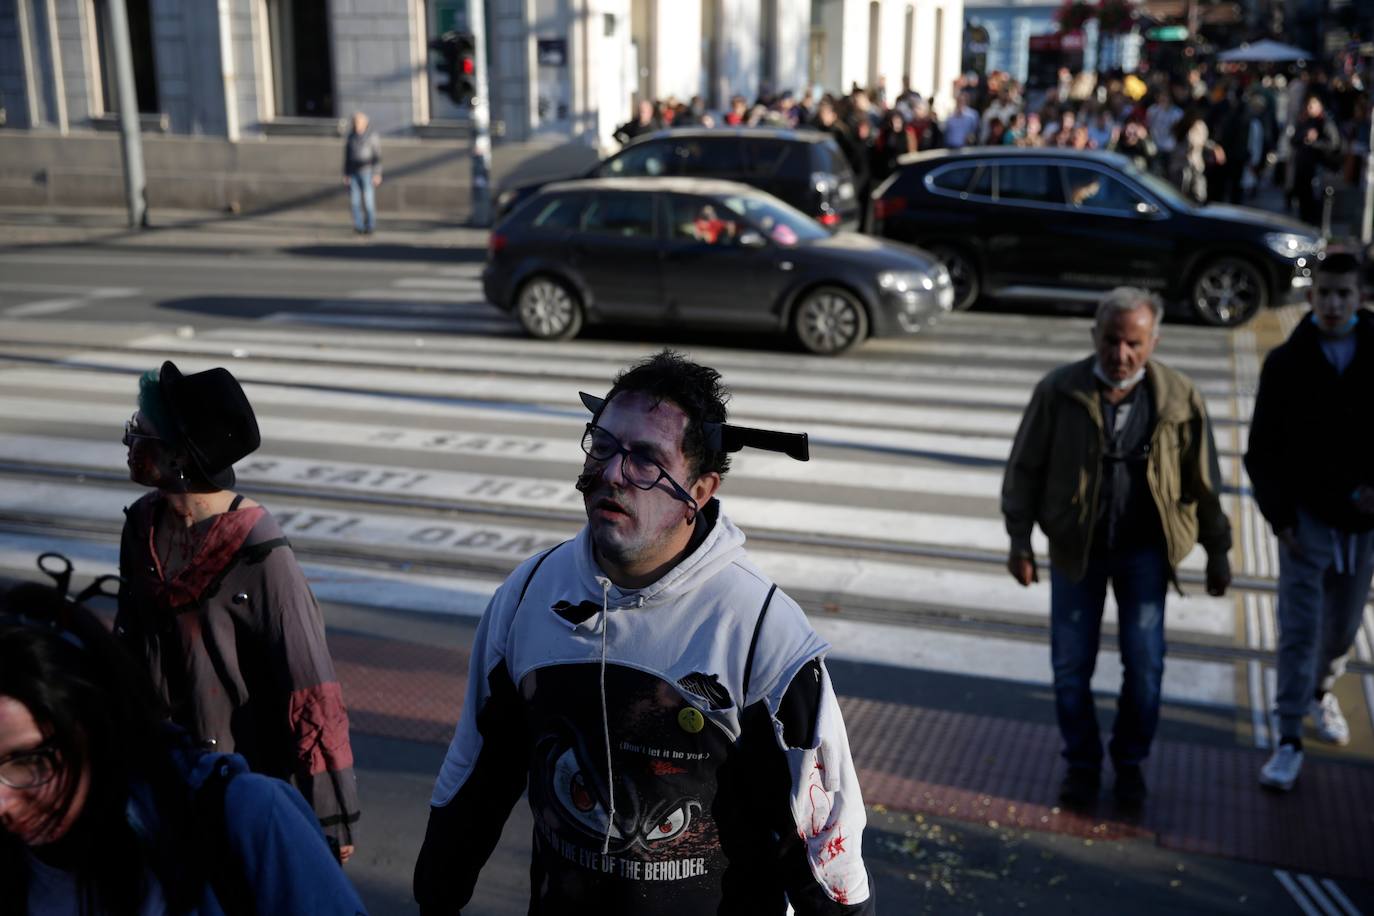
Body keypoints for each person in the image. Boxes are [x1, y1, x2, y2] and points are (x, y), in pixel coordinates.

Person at [414, 350, 874, 914]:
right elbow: (478, 772)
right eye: (602, 446)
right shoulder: (530, 594)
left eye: (645, 461)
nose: (611, 473)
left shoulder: (759, 631)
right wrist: (436, 897)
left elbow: (827, 845)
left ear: (699, 493)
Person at [114, 361, 361, 862]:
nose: (130, 443)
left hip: (241, 786)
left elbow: (311, 688)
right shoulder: (142, 525)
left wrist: (330, 816)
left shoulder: (261, 553)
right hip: (158, 776)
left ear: (182, 457)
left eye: (143, 433)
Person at [0, 583, 366, 915]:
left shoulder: (245, 819)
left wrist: (335, 804)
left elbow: (309, 680)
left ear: (97, 721)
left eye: (28, 761)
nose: (2, 802)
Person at [1002, 288, 1232, 810]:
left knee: (1146, 667)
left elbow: (1205, 482)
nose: (1121, 354)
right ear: (1094, 336)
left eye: (1134, 343)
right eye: (1111, 340)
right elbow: (1023, 471)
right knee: (1069, 667)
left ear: (1153, 342)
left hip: (1145, 554)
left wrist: (1219, 551)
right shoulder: (1059, 390)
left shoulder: (1179, 397)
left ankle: (1130, 766)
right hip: (1074, 551)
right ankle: (1082, 765)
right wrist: (1019, 541)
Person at [1246, 252, 1374, 791]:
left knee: (1342, 627)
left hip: (1362, 524)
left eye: (1343, 293)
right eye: (1324, 293)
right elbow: (1262, 451)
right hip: (1305, 520)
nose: (1333, 303)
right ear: (1310, 296)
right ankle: (1287, 738)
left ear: (1360, 296)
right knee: (1299, 628)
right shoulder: (1287, 362)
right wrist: (1281, 519)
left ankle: (1321, 693)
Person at [1288, 95, 1343, 226]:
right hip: (1303, 167)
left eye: (1313, 106)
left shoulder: (1326, 122)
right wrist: (1304, 137)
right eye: (1308, 106)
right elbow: (1294, 140)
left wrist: (1314, 143)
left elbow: (1334, 144)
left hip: (1317, 168)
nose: (1310, 108)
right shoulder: (1304, 121)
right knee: (1302, 198)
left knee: (1314, 200)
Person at [342, 111, 382, 235]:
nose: (357, 124)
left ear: (365, 123)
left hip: (367, 171)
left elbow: (377, 156)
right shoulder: (351, 137)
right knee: (354, 201)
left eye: (359, 122)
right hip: (353, 172)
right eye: (355, 122)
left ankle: (370, 225)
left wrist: (377, 173)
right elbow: (347, 157)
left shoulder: (372, 136)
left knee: (368, 200)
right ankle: (358, 225)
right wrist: (346, 173)